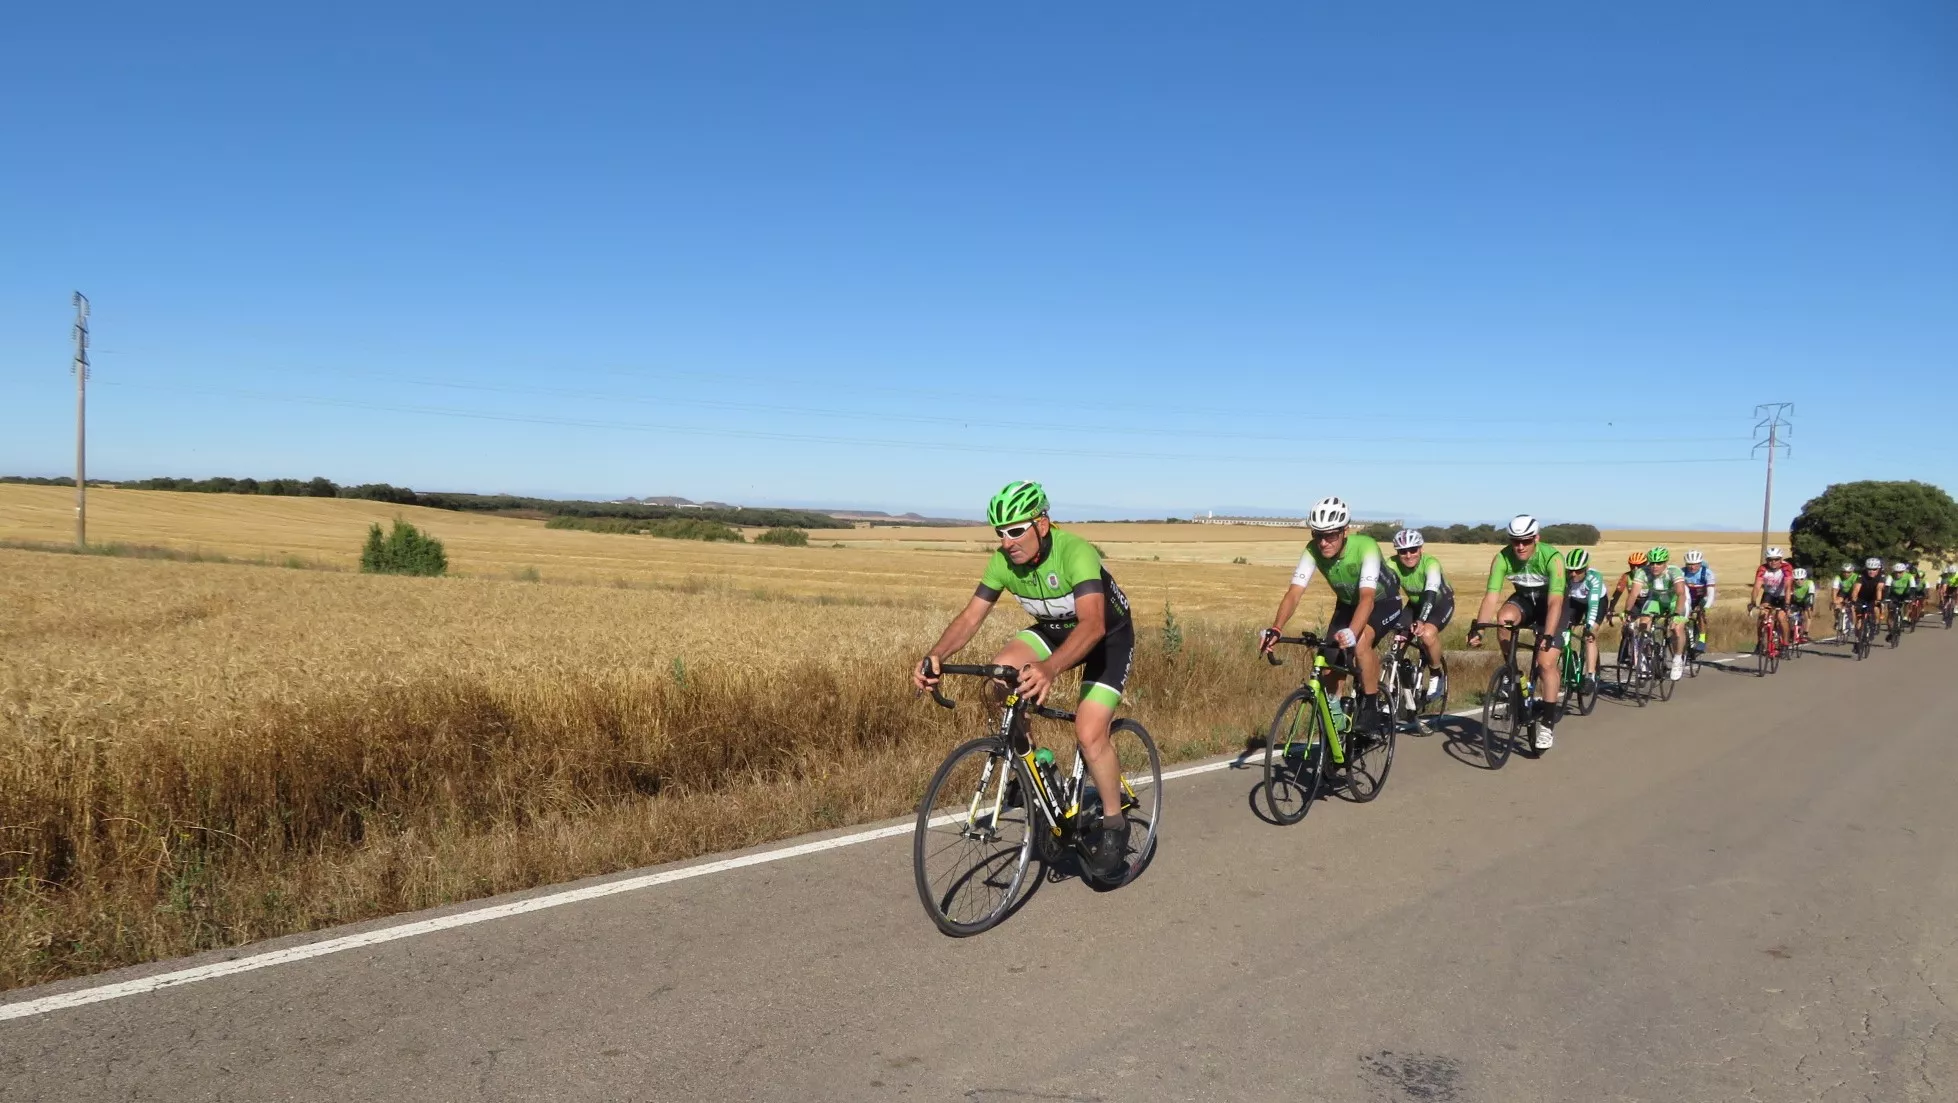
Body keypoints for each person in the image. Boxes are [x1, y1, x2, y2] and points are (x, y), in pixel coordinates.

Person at [914, 480, 1134, 878]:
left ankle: (1115, 823)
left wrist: (1050, 669)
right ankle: (1041, 770)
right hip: (1053, 630)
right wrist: (937, 655)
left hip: (1106, 637)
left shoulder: (1075, 552)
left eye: (1016, 530)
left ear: (1043, 525)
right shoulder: (1003, 562)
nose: (1007, 541)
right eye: (999, 532)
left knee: (1088, 732)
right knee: (999, 680)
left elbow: (1093, 624)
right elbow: (970, 618)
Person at [1259, 497, 1404, 735]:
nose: (1324, 542)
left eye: (1332, 535)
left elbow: (1367, 597)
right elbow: (1294, 593)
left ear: (1346, 531)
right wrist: (1276, 628)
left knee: (1361, 643)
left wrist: (1352, 632)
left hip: (1383, 601)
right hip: (1347, 603)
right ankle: (1337, 724)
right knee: (1329, 661)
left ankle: (1370, 706)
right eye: (1318, 535)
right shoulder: (1312, 550)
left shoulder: (1365, 546)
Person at [1466, 515, 1566, 751]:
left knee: (1545, 663)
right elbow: (1491, 596)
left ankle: (1548, 724)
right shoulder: (1502, 557)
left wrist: (1548, 635)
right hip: (1525, 600)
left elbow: (1555, 602)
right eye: (1515, 541)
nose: (1520, 546)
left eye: (1526, 541)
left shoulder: (1552, 558)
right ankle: (1513, 672)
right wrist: (1479, 628)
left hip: (1553, 606)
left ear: (1536, 539)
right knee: (1504, 619)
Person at [1385, 528, 1454, 699]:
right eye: (1402, 551)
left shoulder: (1431, 563)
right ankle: (1393, 693)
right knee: (1397, 644)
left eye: (1413, 550)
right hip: (1414, 605)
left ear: (1420, 549)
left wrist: (1422, 620)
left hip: (1440, 603)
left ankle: (1437, 674)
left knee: (1427, 635)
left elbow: (1430, 594)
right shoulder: (1391, 564)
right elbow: (1382, 592)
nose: (1408, 555)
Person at [1627, 546, 1691, 680]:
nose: (1655, 566)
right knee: (1643, 624)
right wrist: (1627, 611)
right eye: (1652, 563)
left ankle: (1678, 659)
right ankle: (1645, 655)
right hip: (1656, 599)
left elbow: (1680, 593)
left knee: (1676, 628)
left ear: (1665, 562)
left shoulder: (1674, 571)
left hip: (1675, 600)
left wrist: (1677, 614)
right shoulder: (1642, 572)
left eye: (1659, 563)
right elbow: (1633, 593)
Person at [1561, 548, 1606, 695]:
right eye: (1570, 570)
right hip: (1576, 602)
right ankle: (1568, 665)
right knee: (1562, 630)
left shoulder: (1594, 578)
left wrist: (1589, 625)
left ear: (1586, 568)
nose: (1573, 574)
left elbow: (1593, 604)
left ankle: (1591, 675)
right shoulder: (1565, 577)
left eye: (1578, 571)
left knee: (1589, 636)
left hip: (1597, 602)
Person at [1750, 547, 1797, 655]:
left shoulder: (1786, 567)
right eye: (1770, 560)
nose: (1773, 562)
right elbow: (1757, 587)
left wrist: (1787, 604)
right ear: (1766, 560)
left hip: (1783, 595)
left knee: (1781, 617)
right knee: (1762, 615)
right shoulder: (1762, 568)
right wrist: (1753, 601)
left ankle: (1785, 644)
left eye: (1776, 559)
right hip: (1769, 594)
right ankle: (1760, 642)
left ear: (1781, 559)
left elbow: (1787, 587)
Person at [1679, 549, 1717, 654]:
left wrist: (1706, 607)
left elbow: (1710, 593)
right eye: (1689, 564)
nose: (1692, 567)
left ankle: (1702, 639)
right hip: (1688, 596)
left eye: (1695, 564)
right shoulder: (1682, 572)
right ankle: (1687, 639)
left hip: (1702, 597)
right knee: (1684, 616)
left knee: (1701, 615)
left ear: (1700, 563)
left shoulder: (1707, 573)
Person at [1849, 558, 1887, 637]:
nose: (1871, 571)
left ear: (1878, 568)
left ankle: (1876, 624)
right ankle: (1858, 638)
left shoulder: (1882, 575)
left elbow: (1879, 589)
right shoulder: (1861, 574)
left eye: (1874, 569)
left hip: (1875, 596)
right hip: (1863, 596)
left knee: (1875, 609)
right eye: (1869, 569)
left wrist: (1878, 600)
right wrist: (1853, 600)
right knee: (1859, 615)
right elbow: (1856, 589)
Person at [1789, 568, 1816, 644]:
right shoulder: (1792, 584)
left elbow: (1811, 595)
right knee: (1790, 616)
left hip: (1807, 600)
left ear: (1805, 578)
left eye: (1801, 579)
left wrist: (1809, 606)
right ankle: (1792, 632)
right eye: (1796, 579)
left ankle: (1805, 634)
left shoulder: (1810, 583)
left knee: (1808, 615)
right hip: (1795, 600)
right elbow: (1789, 595)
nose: (1799, 581)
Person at [1831, 563, 1858, 636]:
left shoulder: (1855, 577)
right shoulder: (1838, 577)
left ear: (1852, 572)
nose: (1846, 574)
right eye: (1844, 572)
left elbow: (1856, 589)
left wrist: (1852, 599)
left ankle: (1853, 625)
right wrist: (1834, 600)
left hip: (1853, 592)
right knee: (1836, 605)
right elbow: (1834, 589)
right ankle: (1837, 620)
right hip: (1843, 592)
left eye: (1848, 572)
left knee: (1852, 608)